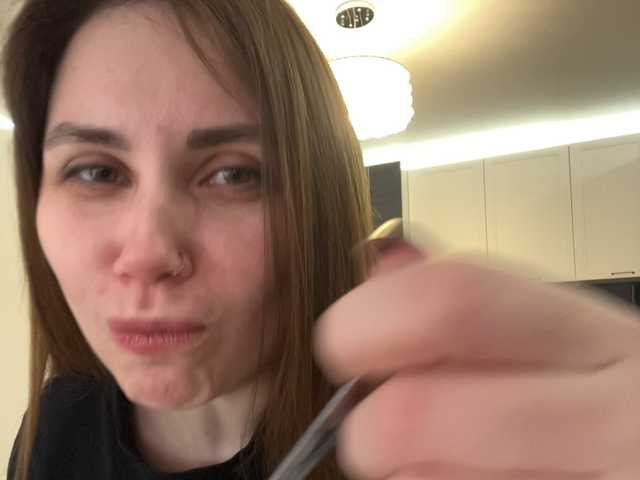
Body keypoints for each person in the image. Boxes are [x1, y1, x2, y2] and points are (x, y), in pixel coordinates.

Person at [3, 1, 640, 479]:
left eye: (234, 174)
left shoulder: (435, 445)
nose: (147, 254)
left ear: (316, 205)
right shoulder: (55, 427)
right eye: (96, 172)